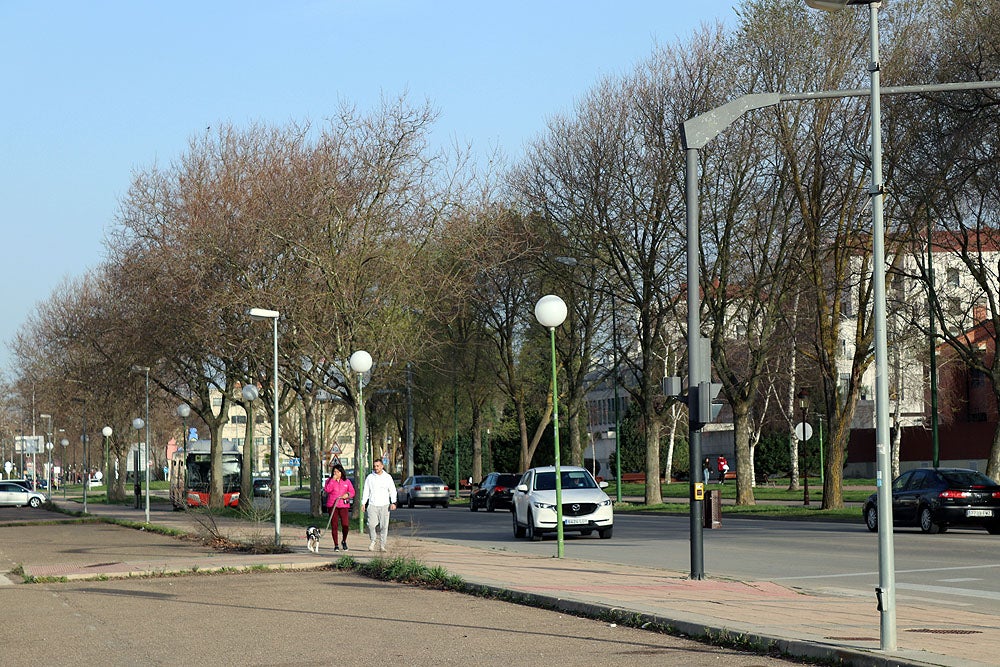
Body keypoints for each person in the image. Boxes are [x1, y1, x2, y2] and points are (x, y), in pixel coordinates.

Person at [360, 459, 397, 552]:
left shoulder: (387, 477)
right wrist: (363, 503)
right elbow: (366, 491)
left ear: (382, 466)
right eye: (375, 466)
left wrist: (393, 502)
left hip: (385, 505)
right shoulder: (370, 477)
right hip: (373, 504)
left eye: (378, 466)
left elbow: (392, 490)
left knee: (384, 526)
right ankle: (373, 540)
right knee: (371, 524)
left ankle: (382, 545)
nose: (376, 468)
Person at [323, 464, 355, 552]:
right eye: (334, 472)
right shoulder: (329, 481)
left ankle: (344, 541)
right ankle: (336, 544)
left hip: (343, 505)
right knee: (334, 525)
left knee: (345, 525)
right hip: (332, 505)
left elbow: (352, 492)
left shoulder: (347, 481)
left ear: (341, 472)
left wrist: (347, 495)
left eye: (338, 472)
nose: (336, 473)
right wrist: (333, 480)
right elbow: (327, 490)